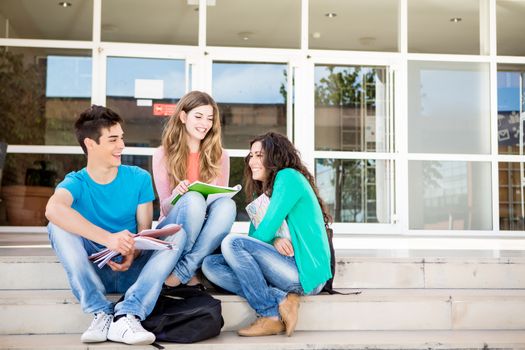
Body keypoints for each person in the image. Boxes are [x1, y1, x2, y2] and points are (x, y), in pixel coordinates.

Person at [46, 105, 187, 345]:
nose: (121, 145)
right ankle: (100, 311)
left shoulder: (138, 178)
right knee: (57, 225)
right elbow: (53, 209)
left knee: (178, 233)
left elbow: (144, 231)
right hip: (95, 267)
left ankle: (127, 314)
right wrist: (108, 239)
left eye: (121, 138)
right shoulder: (76, 182)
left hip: (134, 269)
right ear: (91, 144)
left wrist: (133, 249)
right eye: (113, 139)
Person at [202, 132, 332, 337]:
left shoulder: (288, 177)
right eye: (251, 156)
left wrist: (270, 237)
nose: (252, 161)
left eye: (259, 155)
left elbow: (260, 234)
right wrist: (274, 240)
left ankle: (269, 314)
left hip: (304, 272)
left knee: (232, 243)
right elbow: (257, 239)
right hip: (282, 271)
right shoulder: (262, 193)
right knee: (210, 264)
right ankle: (282, 299)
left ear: (275, 156)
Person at [153, 90, 236, 289]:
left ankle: (184, 269)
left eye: (210, 118)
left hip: (206, 230)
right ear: (183, 116)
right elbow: (164, 209)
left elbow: (220, 199)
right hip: (174, 227)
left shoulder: (220, 156)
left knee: (228, 204)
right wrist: (177, 195)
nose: (205, 124)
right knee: (193, 198)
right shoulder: (163, 154)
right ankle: (185, 267)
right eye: (198, 116)